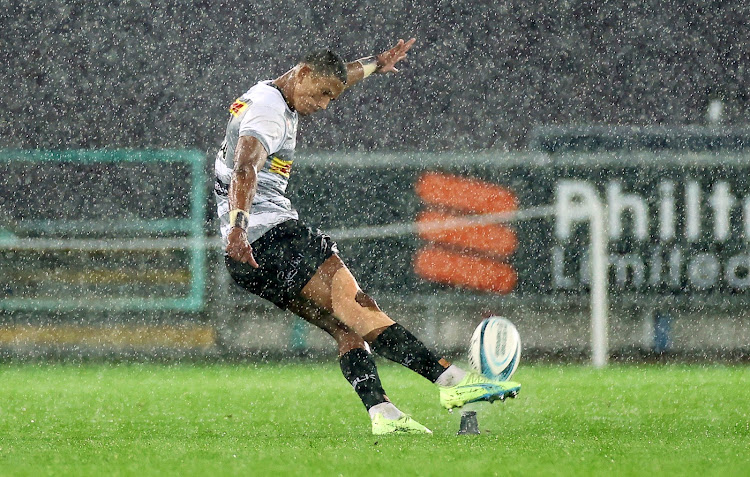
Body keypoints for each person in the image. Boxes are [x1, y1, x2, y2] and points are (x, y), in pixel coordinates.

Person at [214, 38, 520, 435]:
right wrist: (240, 227)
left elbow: (340, 75)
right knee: (357, 305)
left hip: (246, 260)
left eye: (331, 98)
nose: (324, 105)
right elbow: (244, 169)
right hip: (271, 237)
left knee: (346, 327)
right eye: (322, 94)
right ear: (303, 73)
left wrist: (377, 63)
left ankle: (383, 414)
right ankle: (453, 382)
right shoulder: (270, 113)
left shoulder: (267, 93)